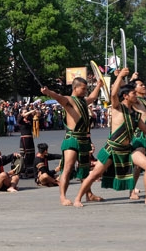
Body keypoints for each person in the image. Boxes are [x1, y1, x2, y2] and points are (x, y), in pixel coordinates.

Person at [73, 68, 146, 207]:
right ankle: (78, 198)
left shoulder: (135, 115)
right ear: (126, 96)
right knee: (95, 174)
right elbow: (114, 92)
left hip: (127, 150)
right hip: (112, 149)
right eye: (133, 93)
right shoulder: (117, 107)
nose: (135, 96)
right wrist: (120, 75)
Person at [40, 76, 103, 206]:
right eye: (83, 89)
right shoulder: (69, 100)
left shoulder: (83, 102)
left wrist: (99, 86)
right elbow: (58, 97)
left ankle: (89, 194)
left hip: (84, 139)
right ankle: (63, 197)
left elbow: (93, 97)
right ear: (75, 88)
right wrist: (48, 92)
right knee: (67, 168)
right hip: (72, 138)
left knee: (85, 169)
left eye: (86, 89)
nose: (85, 91)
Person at [17, 105, 39, 178]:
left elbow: (38, 117)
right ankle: (23, 171)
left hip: (30, 138)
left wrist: (36, 112)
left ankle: (31, 171)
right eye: (25, 112)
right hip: (24, 139)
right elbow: (23, 115)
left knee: (31, 154)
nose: (27, 113)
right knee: (25, 155)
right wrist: (30, 111)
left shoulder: (29, 120)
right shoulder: (20, 119)